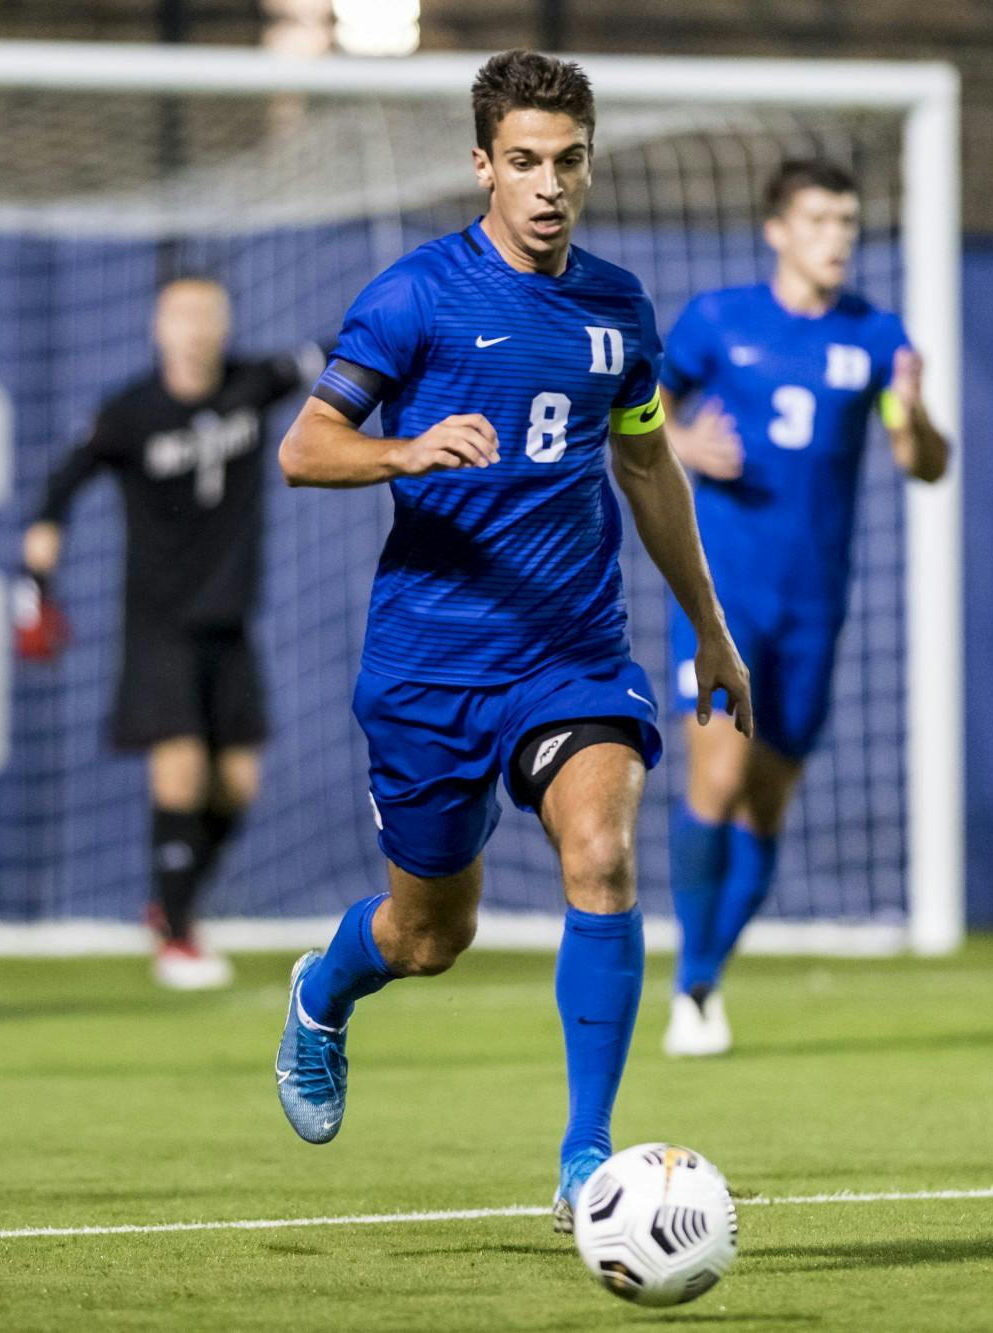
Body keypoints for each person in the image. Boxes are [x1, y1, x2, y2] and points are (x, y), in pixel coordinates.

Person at [268, 50, 751, 1230]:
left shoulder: (618, 310)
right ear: (480, 164)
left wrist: (709, 631)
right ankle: (323, 995)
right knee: (430, 936)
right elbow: (303, 447)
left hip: (572, 651)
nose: (548, 186)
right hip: (430, 662)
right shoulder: (415, 297)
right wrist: (403, 450)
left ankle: (586, 1159)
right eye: (524, 162)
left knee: (601, 852)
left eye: (569, 162)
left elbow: (644, 462)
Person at [655, 160, 950, 1057]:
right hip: (721, 596)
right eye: (819, 220)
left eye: (848, 222)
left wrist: (916, 418)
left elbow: (926, 465)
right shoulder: (718, 320)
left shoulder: (878, 336)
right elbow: (632, 414)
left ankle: (705, 974)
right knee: (716, 779)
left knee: (768, 804)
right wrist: (683, 443)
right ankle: (690, 985)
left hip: (815, 607)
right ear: (778, 228)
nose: (836, 238)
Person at [20, 277, 318, 991]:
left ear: (225, 322)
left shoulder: (255, 382)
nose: (195, 327)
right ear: (159, 327)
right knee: (181, 763)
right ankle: (178, 938)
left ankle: (170, 902)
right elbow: (63, 484)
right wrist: (36, 575)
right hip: (159, 622)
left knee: (238, 783)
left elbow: (344, 355)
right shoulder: (131, 412)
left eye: (208, 313)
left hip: (230, 620)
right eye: (181, 315)